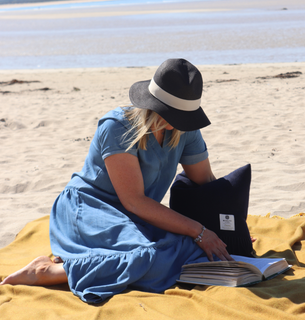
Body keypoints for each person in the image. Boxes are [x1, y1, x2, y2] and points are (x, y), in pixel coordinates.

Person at [1, 58, 234, 304]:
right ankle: (46, 271)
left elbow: (205, 181)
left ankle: (86, 259)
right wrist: (199, 230)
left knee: (195, 252)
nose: (180, 122)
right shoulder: (118, 126)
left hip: (139, 216)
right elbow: (133, 201)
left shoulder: (185, 129)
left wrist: (228, 225)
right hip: (90, 208)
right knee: (147, 257)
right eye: (174, 114)